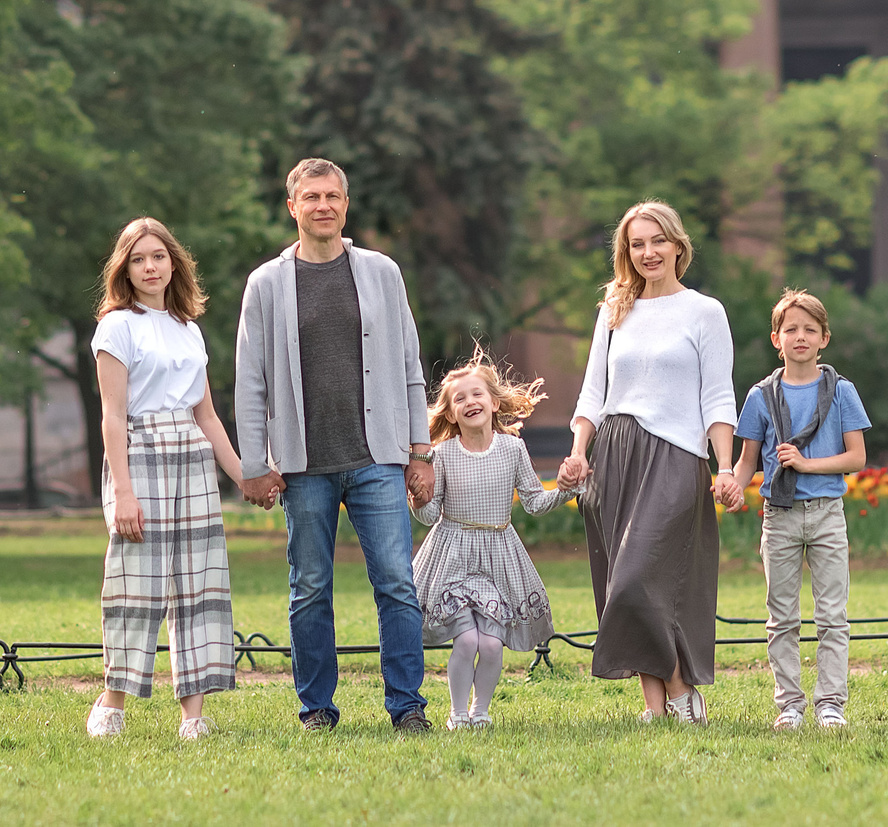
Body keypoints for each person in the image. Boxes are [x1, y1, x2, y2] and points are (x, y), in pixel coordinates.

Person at [233, 158, 436, 734]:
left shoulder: (380, 272)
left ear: (346, 205)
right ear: (293, 207)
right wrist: (253, 465)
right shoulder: (267, 284)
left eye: (334, 196)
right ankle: (317, 709)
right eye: (312, 197)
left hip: (377, 458)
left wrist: (419, 450)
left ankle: (407, 706)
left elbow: (408, 363)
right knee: (310, 589)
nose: (324, 206)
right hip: (304, 467)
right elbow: (251, 381)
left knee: (397, 583)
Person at [558, 201, 741, 725]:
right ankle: (655, 707)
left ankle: (684, 690)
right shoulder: (614, 309)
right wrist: (577, 454)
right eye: (637, 244)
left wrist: (724, 467)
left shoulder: (704, 312)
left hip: (676, 455)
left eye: (657, 241)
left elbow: (718, 398)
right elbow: (593, 392)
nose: (648, 253)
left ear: (678, 246)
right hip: (612, 454)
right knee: (622, 584)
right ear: (626, 252)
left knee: (647, 578)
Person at [86, 217, 246, 741]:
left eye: (157, 256)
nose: (149, 266)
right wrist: (123, 492)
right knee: (137, 584)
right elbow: (112, 416)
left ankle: (194, 717)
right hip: (141, 452)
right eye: (138, 259)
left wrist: (244, 478)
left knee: (198, 584)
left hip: (192, 456)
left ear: (173, 262)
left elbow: (208, 416)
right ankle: (112, 706)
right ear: (125, 270)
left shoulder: (189, 329)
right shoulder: (116, 326)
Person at [408, 350, 575, 730]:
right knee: (466, 642)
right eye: (460, 399)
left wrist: (566, 489)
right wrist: (418, 499)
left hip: (499, 557)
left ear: (494, 402)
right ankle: (457, 714)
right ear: (450, 413)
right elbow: (431, 516)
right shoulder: (442, 455)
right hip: (452, 556)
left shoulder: (512, 449)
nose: (470, 402)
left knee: (491, 645)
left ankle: (480, 711)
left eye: (477, 394)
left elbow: (533, 502)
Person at [731, 287, 870, 731]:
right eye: (791, 329)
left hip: (828, 511)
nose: (800, 337)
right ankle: (789, 705)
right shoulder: (760, 396)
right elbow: (748, 461)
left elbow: (856, 458)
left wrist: (808, 464)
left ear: (824, 338)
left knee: (833, 616)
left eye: (810, 329)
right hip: (780, 514)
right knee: (781, 617)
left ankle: (831, 704)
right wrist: (730, 485)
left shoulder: (842, 391)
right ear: (777, 339)